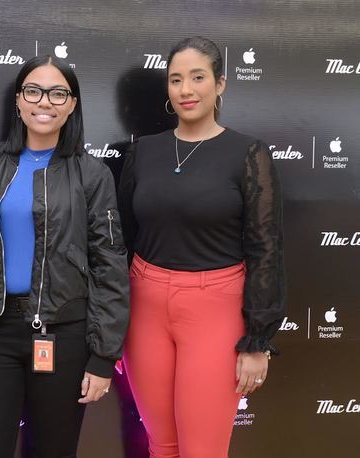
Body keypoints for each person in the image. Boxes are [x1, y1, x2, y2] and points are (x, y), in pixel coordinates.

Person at [0, 55, 130, 458]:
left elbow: (109, 265)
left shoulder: (93, 175)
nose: (44, 102)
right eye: (34, 91)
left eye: (57, 93)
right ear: (18, 100)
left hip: (64, 334)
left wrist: (103, 356)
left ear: (72, 104)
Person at [119, 37, 285, 458]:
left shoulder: (247, 153)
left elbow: (266, 247)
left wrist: (258, 340)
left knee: (202, 451)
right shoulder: (143, 153)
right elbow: (120, 240)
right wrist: (111, 327)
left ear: (221, 84)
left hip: (216, 309)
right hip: (145, 307)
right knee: (162, 445)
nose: (186, 89)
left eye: (197, 77)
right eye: (176, 80)